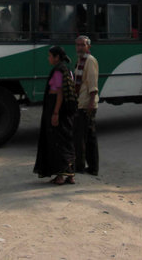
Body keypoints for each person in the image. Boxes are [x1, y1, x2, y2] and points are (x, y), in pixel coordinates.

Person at [34, 46, 77, 185]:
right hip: (67, 110)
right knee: (67, 140)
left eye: (50, 56)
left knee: (57, 142)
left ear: (57, 57)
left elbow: (59, 93)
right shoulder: (67, 69)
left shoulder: (59, 71)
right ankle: (70, 175)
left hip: (58, 108)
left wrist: (55, 113)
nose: (48, 58)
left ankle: (60, 176)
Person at [73, 35, 100, 176]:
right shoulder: (80, 61)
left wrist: (90, 103)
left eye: (82, 45)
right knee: (85, 137)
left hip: (86, 105)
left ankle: (87, 167)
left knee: (86, 138)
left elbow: (92, 84)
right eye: (77, 45)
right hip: (81, 103)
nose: (79, 47)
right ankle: (88, 166)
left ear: (88, 46)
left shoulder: (90, 61)